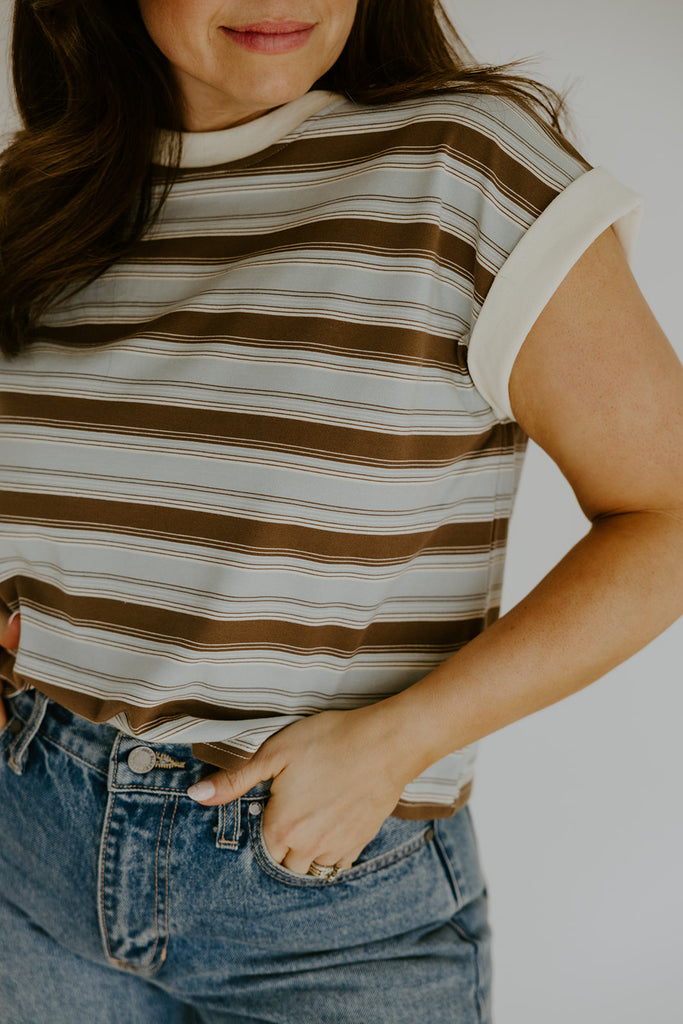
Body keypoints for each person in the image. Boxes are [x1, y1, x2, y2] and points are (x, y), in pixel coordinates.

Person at [1, 1, 681, 1021]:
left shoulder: (463, 168)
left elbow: (665, 514)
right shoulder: (37, 198)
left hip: (324, 892)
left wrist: (399, 739)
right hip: (33, 843)